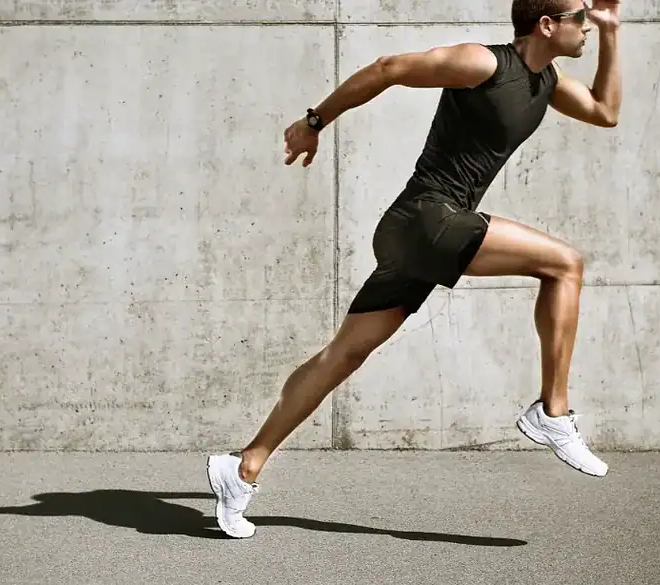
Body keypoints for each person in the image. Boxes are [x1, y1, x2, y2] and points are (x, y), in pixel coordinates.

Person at [206, 0, 622, 539]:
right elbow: (390, 69)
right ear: (547, 25)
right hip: (427, 218)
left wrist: (612, 34)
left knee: (342, 355)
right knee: (565, 264)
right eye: (581, 18)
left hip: (420, 234)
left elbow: (605, 112)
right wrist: (313, 122)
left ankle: (243, 467)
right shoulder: (484, 63)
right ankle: (553, 411)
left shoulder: (549, 82)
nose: (587, 27)